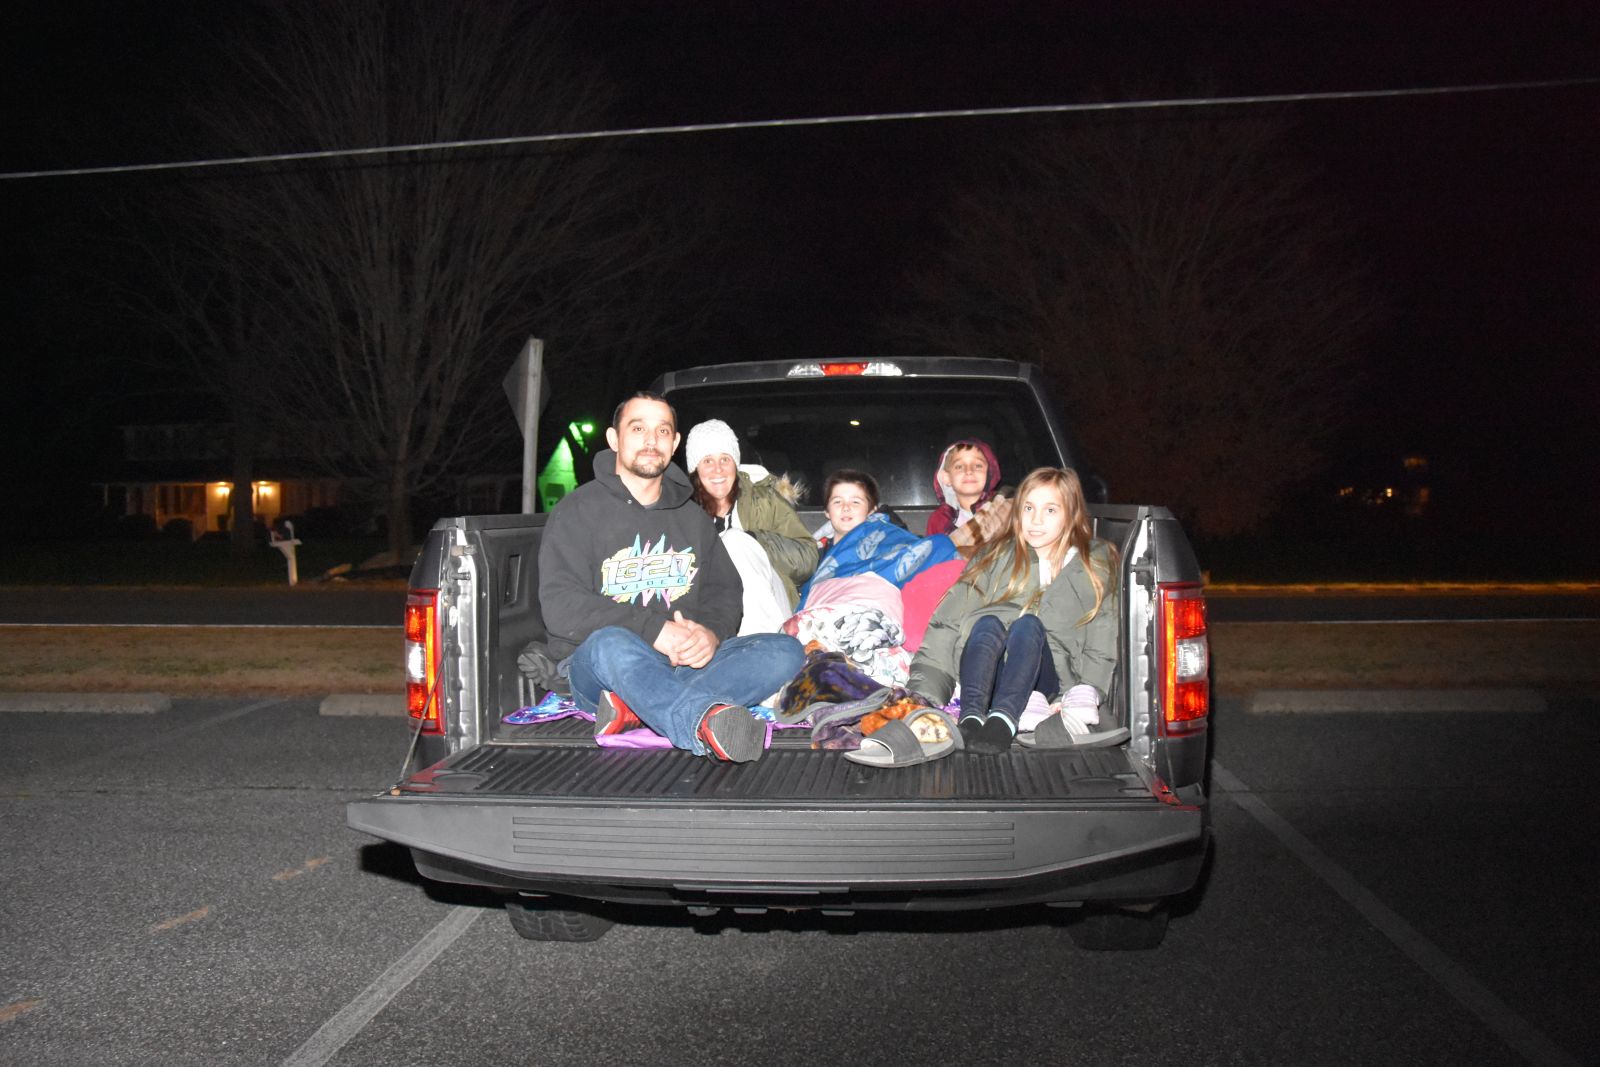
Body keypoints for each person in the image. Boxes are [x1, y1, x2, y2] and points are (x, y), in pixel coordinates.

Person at [538, 392, 805, 762]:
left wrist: (710, 634)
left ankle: (640, 708)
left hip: (683, 666)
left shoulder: (692, 517)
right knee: (611, 643)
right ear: (615, 440)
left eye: (662, 430)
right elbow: (561, 607)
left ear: (674, 443)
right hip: (602, 672)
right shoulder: (577, 512)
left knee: (785, 650)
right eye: (638, 428)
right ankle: (701, 722)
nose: (651, 440)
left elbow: (724, 591)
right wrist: (655, 631)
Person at [906, 467, 1119, 755]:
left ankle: (1003, 722)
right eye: (1028, 508)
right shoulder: (994, 556)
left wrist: (1087, 690)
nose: (1036, 520)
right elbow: (947, 623)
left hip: (1045, 679)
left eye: (1050, 510)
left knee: (1028, 625)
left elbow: (1102, 635)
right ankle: (971, 718)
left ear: (1071, 514)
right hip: (983, 675)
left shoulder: (1092, 565)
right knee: (987, 623)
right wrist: (925, 694)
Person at [684, 418, 818, 631]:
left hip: (771, 609)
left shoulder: (764, 500)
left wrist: (756, 541)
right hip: (711, 615)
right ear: (695, 469)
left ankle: (764, 646)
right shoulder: (683, 513)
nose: (717, 470)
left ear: (735, 464)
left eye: (725, 460)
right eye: (707, 461)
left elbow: (807, 558)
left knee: (735, 542)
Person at [802, 469, 960, 603]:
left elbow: (928, 552)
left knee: (942, 544)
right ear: (827, 511)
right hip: (823, 620)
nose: (846, 508)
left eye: (856, 502)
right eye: (837, 502)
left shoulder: (889, 540)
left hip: (877, 616)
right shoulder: (811, 556)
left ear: (871, 511)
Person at [926, 439, 1004, 536]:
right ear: (946, 478)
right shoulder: (939, 521)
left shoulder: (1005, 513)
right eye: (959, 467)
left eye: (978, 465)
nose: (969, 471)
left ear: (990, 473)